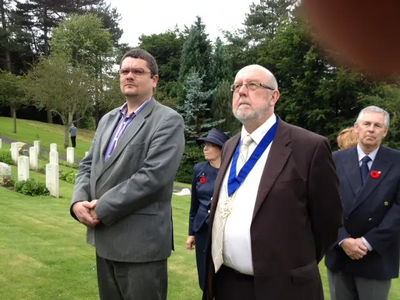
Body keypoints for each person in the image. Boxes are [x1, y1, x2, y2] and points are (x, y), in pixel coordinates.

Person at [203, 64, 343, 300]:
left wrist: (294, 266)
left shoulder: (309, 147)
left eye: (253, 85)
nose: (242, 91)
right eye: (237, 86)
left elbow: (327, 222)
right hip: (225, 283)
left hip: (282, 288)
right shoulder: (229, 146)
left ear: (274, 97)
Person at [70, 49, 185, 300]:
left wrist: (101, 208)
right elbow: (88, 165)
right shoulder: (108, 119)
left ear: (154, 80)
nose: (129, 76)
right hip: (104, 240)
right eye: (124, 71)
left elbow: (153, 177)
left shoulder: (167, 120)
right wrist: (78, 201)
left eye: (138, 71)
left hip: (141, 245)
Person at [325, 106, 400, 300]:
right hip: (340, 255)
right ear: (356, 128)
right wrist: (342, 239)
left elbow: (398, 211)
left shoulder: (397, 162)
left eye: (377, 125)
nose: (371, 129)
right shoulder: (335, 160)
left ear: (385, 132)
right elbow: (325, 204)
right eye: (366, 124)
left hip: (376, 256)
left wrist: (367, 243)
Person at [186, 129, 230, 291]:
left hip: (223, 229)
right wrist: (191, 233)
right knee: (204, 272)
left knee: (222, 271)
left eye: (210, 145)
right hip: (202, 229)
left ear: (221, 148)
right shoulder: (199, 169)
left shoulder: (231, 170)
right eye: (205, 145)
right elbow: (194, 205)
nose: (205, 148)